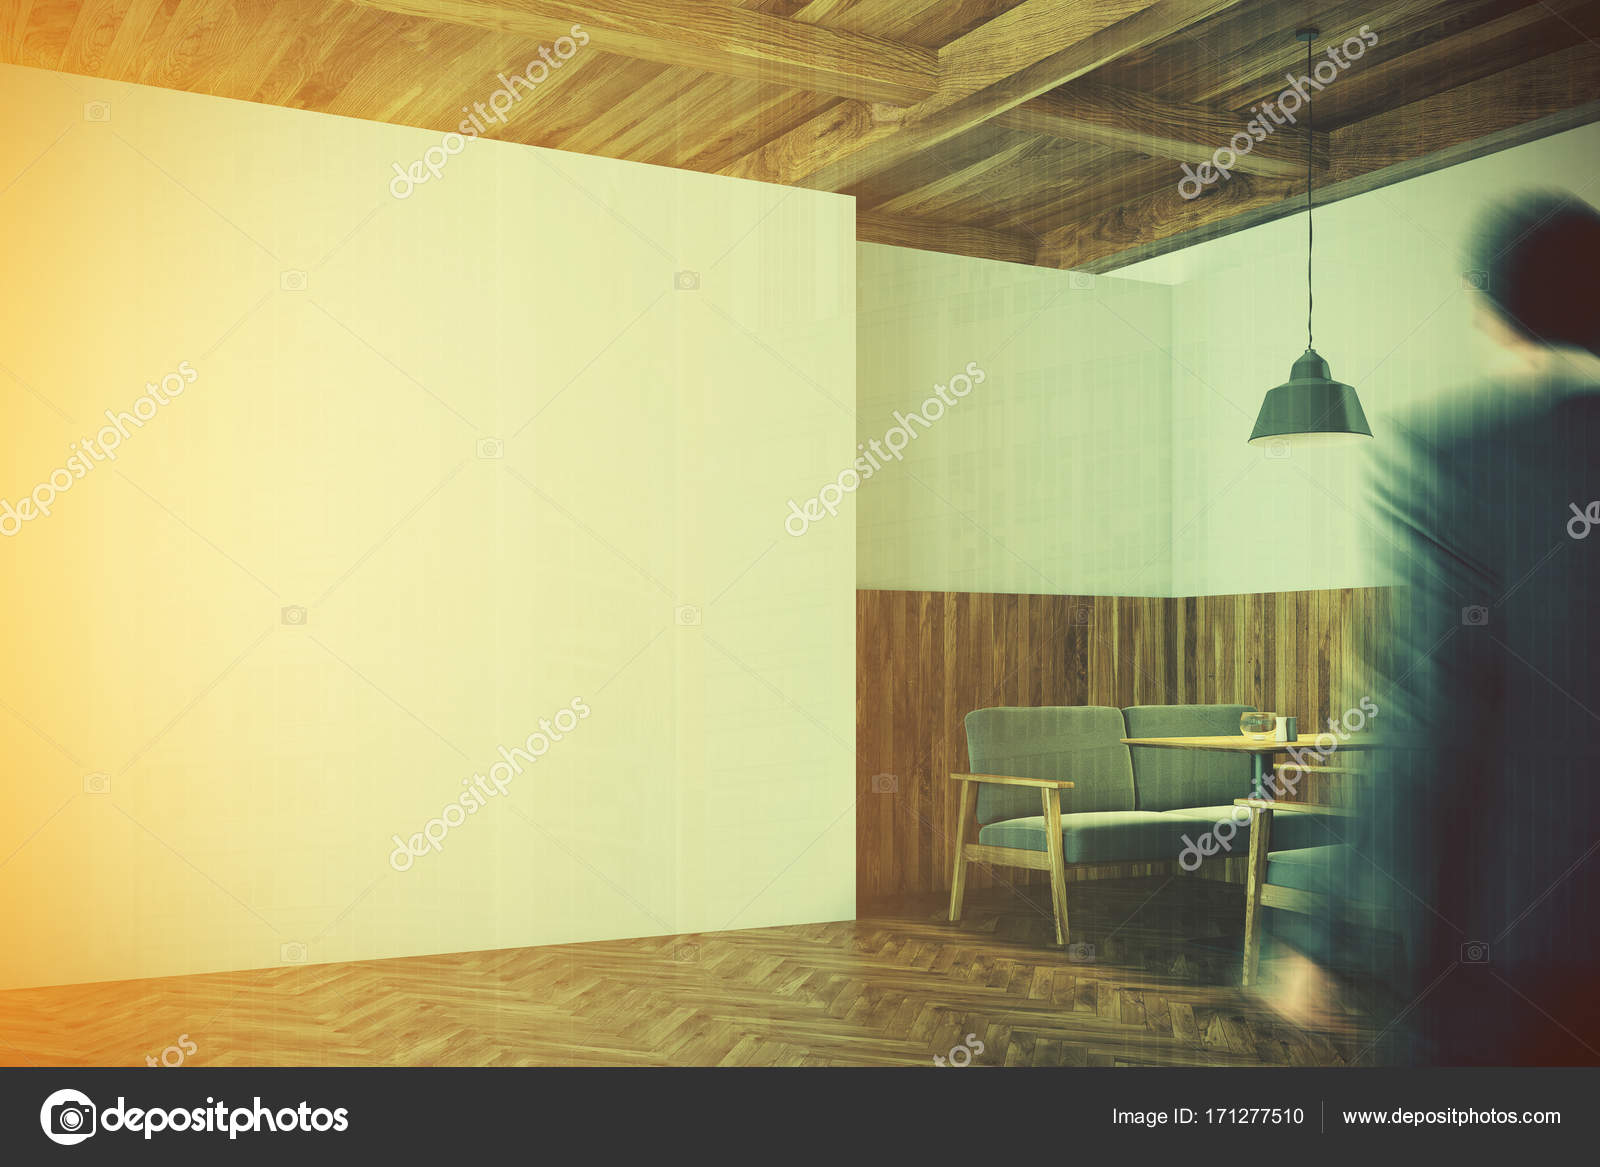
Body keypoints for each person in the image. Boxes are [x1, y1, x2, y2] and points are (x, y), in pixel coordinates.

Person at [1264, 191, 1600, 1065]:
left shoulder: (1470, 459)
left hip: (1513, 935)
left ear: (1491, 313)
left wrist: (1324, 936)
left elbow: (1428, 715)